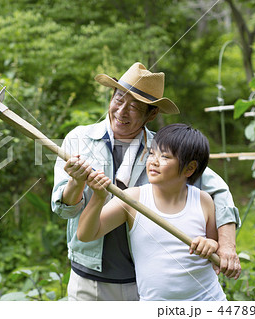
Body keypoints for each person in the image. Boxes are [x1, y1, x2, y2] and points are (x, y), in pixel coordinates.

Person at [51, 62, 241, 301]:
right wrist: (76, 184)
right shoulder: (79, 139)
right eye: (119, 100)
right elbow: (63, 209)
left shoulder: (163, 150)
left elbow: (219, 190)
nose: (121, 112)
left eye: (134, 107)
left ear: (151, 114)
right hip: (89, 278)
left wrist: (225, 245)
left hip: (139, 282)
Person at [77, 123, 227, 301]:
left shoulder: (203, 200)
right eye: (151, 153)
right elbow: (85, 234)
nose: (153, 161)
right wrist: (99, 197)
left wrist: (210, 244)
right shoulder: (133, 199)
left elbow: (215, 248)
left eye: (164, 156)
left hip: (208, 300)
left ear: (189, 168)